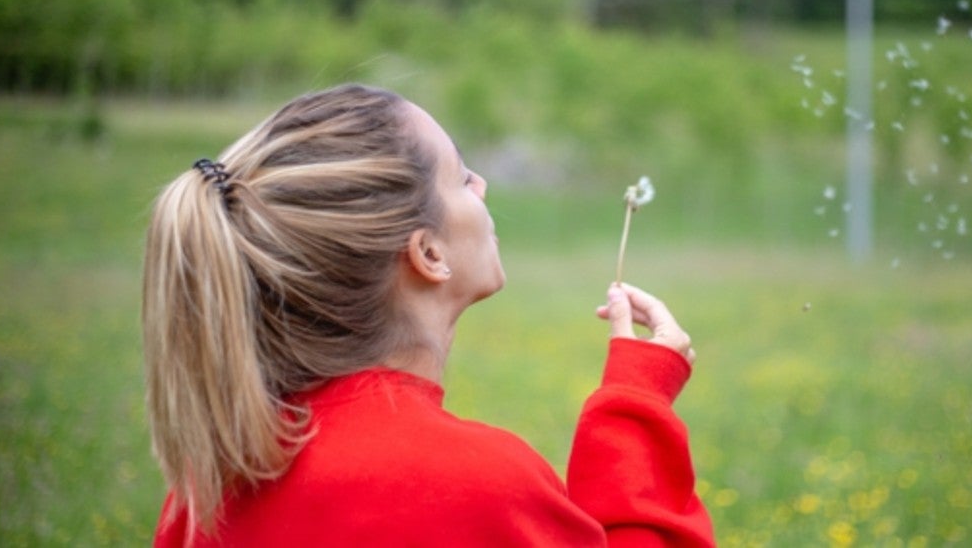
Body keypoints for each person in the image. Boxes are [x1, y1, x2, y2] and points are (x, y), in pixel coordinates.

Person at [142, 83, 714, 546]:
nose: (483, 186)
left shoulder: (209, 489)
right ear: (429, 254)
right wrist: (636, 414)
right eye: (463, 177)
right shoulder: (475, 485)